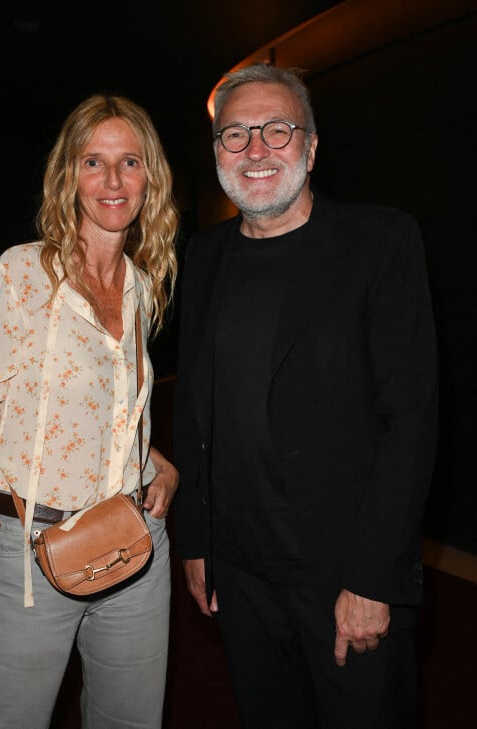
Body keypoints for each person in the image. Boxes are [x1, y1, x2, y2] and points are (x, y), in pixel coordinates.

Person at [0, 92, 179, 729]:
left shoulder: (141, 285)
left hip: (133, 547)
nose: (112, 180)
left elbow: (96, 407)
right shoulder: (19, 277)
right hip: (27, 555)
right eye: (92, 162)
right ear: (68, 178)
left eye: (129, 162)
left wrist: (157, 461)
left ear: (149, 179)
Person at [172, 63, 438, 729]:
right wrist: (197, 539)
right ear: (216, 154)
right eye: (236, 135)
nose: (255, 149)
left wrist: (374, 577)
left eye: (277, 130)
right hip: (240, 573)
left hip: (345, 575)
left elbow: (409, 418)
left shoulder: (380, 241)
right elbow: (194, 410)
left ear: (312, 147)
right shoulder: (201, 259)